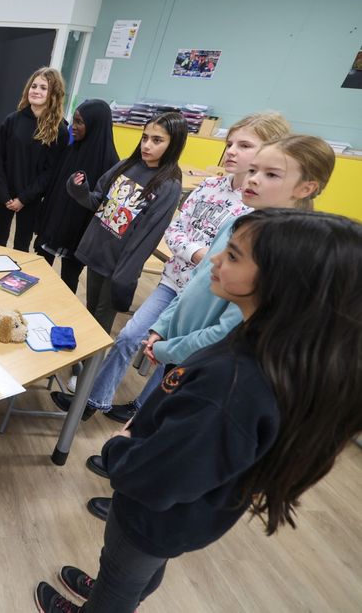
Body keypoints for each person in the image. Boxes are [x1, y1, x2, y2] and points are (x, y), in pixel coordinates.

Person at [34, 208, 362, 613]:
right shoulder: (271, 345)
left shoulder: (233, 386)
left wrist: (118, 449)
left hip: (153, 515)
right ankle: (113, 589)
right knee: (136, 572)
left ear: (287, 283)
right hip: (185, 517)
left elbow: (157, 479)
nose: (215, 259)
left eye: (235, 256)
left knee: (122, 574)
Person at [81, 135, 335, 523]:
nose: (252, 179)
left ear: (305, 188)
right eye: (253, 170)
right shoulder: (238, 221)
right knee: (153, 422)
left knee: (168, 439)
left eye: (269, 174)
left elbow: (226, 331)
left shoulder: (282, 256)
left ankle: (131, 502)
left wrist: (168, 349)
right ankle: (128, 477)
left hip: (201, 360)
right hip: (177, 348)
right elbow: (196, 281)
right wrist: (162, 329)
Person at [51, 112, 291, 422]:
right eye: (230, 143)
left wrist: (204, 256)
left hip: (209, 298)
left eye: (243, 145)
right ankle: (94, 399)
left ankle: (142, 409)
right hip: (174, 282)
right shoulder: (210, 186)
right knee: (131, 336)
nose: (230, 151)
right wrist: (198, 253)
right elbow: (175, 230)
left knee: (174, 357)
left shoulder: (257, 208)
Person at [62, 112, 187, 339]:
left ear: (174, 143)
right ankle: (81, 361)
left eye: (157, 140)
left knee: (101, 320)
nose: (147, 145)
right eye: (145, 137)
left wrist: (124, 275)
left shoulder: (169, 185)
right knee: (90, 309)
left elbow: (147, 238)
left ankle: (89, 371)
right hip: (97, 253)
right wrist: (79, 190)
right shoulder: (126, 166)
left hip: (118, 266)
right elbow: (96, 201)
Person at [34, 99, 119, 292]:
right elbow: (55, 190)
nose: (73, 127)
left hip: (79, 234)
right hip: (54, 224)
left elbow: (102, 205)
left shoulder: (111, 163)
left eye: (80, 122)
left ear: (95, 125)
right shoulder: (71, 150)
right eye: (74, 120)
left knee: (68, 280)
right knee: (39, 270)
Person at [0, 67, 68, 251]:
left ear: (53, 94)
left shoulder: (59, 130)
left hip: (31, 199)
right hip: (5, 195)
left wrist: (24, 199)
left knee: (22, 246)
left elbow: (50, 172)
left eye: (43, 88)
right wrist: (3, 194)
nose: (36, 91)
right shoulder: (12, 120)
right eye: (34, 86)